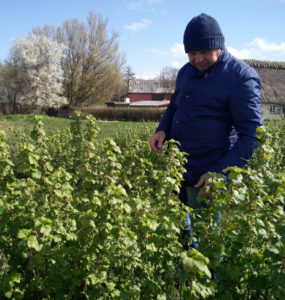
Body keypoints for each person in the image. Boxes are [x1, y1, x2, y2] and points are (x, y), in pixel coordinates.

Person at [149, 13, 263, 242]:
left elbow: (252, 136)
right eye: (192, 53)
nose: (198, 59)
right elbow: (174, 106)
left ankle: (211, 277)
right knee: (181, 231)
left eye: (204, 52)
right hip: (178, 167)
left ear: (219, 47)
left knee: (208, 242)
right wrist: (163, 128)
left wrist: (219, 173)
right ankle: (183, 273)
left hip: (209, 171)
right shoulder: (185, 71)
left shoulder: (240, 77)